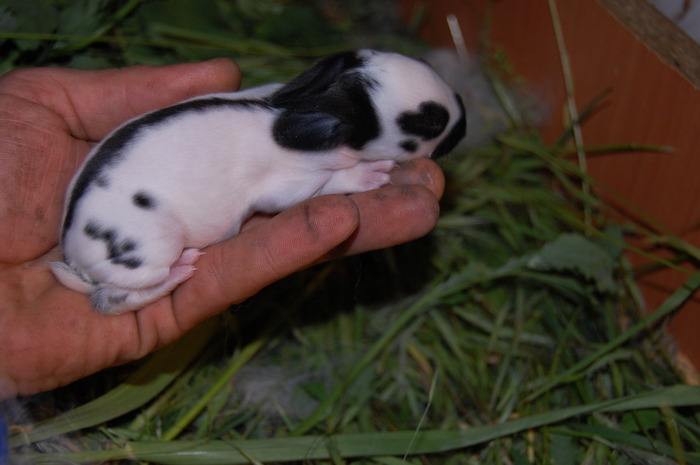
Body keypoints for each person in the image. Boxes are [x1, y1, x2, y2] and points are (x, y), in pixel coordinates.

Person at [0, 58, 445, 400]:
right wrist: (342, 178)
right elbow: (277, 196)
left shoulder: (275, 103)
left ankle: (100, 269)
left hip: (109, 209)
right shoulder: (291, 143)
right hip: (123, 226)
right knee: (147, 251)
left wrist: (341, 171)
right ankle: (121, 291)